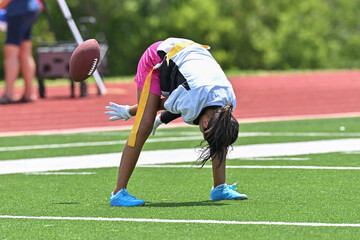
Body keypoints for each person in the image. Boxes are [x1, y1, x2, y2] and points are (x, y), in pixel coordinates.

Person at [105, 37, 248, 207]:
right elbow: (163, 104)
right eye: (205, 133)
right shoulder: (193, 96)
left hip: (187, 56)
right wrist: (130, 111)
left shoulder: (227, 104)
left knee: (221, 133)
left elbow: (184, 106)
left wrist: (161, 119)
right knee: (144, 125)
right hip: (157, 59)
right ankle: (118, 192)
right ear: (204, 124)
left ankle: (219, 188)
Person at [0, 0, 41, 104]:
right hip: (31, 9)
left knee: (10, 51)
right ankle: (29, 93)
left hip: (18, 11)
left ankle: (8, 93)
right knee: (25, 51)